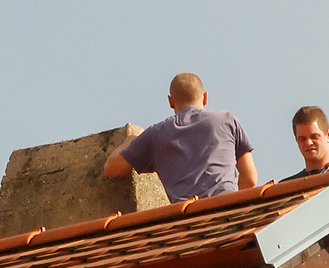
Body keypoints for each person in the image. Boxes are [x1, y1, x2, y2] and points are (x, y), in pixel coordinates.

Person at [103, 73, 257, 200]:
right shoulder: (228, 120)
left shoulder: (156, 134)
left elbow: (111, 168)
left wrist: (131, 140)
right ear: (205, 97)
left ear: (171, 101)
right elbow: (250, 178)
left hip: (187, 221)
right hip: (227, 211)